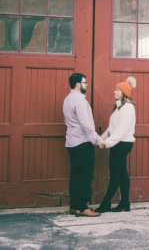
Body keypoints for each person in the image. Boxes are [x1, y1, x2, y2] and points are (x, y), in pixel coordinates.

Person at [63, 73, 102, 217]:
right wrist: (97, 140)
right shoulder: (79, 100)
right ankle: (82, 207)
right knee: (85, 175)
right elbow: (86, 123)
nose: (87, 85)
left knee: (75, 174)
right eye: (85, 82)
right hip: (82, 142)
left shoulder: (68, 99)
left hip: (72, 142)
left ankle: (74, 206)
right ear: (78, 84)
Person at [95, 76, 137, 213]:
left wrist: (107, 143)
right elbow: (111, 128)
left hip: (122, 144)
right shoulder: (119, 107)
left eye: (117, 90)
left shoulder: (128, 108)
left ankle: (105, 204)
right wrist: (101, 139)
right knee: (122, 173)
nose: (114, 92)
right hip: (118, 143)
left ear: (124, 93)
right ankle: (125, 203)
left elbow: (121, 130)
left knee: (115, 175)